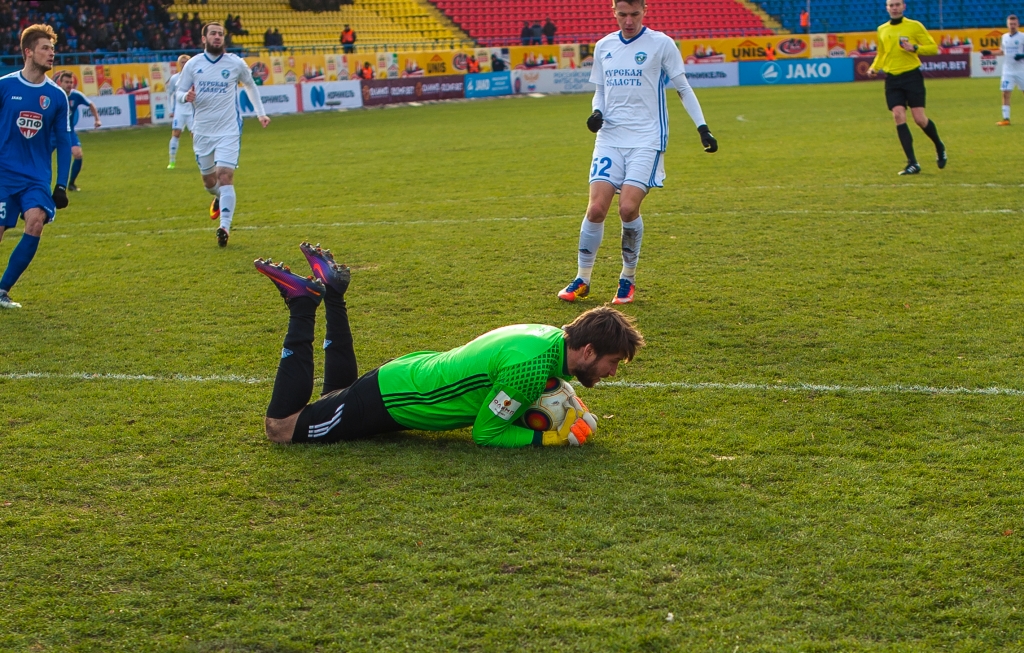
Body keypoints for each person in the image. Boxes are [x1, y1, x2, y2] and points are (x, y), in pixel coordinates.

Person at [254, 242, 643, 447]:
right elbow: (487, 434)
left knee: (337, 394)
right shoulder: (530, 369)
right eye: (612, 361)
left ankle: (334, 293)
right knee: (282, 428)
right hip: (395, 399)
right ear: (588, 350)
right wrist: (548, 437)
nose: (612, 372)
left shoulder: (546, 339)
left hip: (405, 377)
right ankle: (303, 307)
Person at [558, 0, 717, 305]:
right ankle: (582, 278)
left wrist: (703, 127)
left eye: (634, 14)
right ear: (614, 13)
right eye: (623, 15)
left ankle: (627, 279)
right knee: (595, 209)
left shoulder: (661, 44)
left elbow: (683, 88)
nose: (628, 21)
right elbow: (601, 90)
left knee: (628, 209)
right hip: (610, 138)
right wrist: (596, 112)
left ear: (645, 11)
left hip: (646, 139)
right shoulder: (603, 46)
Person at [175, 22, 269, 247]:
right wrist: (184, 96)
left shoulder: (235, 63)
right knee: (209, 182)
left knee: (225, 175)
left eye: (220, 34)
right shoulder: (194, 64)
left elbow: (250, 85)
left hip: (229, 129)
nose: (217, 37)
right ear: (204, 39)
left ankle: (224, 227)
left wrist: (260, 113)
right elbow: (178, 90)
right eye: (213, 34)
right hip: (202, 131)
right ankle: (217, 197)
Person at [0, 24, 71, 310]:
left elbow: (64, 143)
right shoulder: (5, 85)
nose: (51, 53)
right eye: (45, 48)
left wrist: (62, 184)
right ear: (28, 52)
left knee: (35, 222)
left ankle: (2, 290)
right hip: (3, 174)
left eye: (53, 49)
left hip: (36, 177)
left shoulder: (56, 96)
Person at [867, 0, 946, 176]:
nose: (894, 8)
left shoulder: (915, 26)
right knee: (898, 115)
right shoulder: (882, 29)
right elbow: (882, 53)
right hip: (892, 79)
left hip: (912, 77)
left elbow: (934, 48)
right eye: (891, 5)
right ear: (887, 8)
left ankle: (939, 145)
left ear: (904, 7)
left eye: (897, 4)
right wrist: (874, 68)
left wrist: (915, 47)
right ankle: (912, 163)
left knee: (919, 119)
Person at [53, 71, 100, 192]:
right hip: (51, 133)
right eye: (66, 82)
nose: (69, 85)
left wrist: (97, 119)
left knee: (78, 154)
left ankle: (71, 184)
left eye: (71, 82)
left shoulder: (76, 95)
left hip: (68, 131)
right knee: (42, 156)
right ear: (60, 82)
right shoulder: (54, 94)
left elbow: (91, 104)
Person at [165, 54, 193, 170]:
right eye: (182, 62)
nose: (184, 63)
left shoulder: (194, 77)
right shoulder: (174, 78)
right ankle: (172, 161)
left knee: (195, 136)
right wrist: (170, 109)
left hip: (192, 110)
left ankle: (201, 160)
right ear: (179, 64)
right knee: (176, 134)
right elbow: (169, 94)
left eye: (186, 61)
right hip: (180, 110)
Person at [997, 14, 1024, 125]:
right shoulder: (1004, 37)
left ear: (1018, 24)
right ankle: (1006, 119)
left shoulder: (1022, 36)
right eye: (1010, 24)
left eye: (1014, 24)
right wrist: (990, 53)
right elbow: (1002, 51)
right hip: (1007, 70)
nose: (1012, 26)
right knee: (1005, 93)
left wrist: (1022, 56)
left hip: (1021, 70)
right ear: (1007, 25)